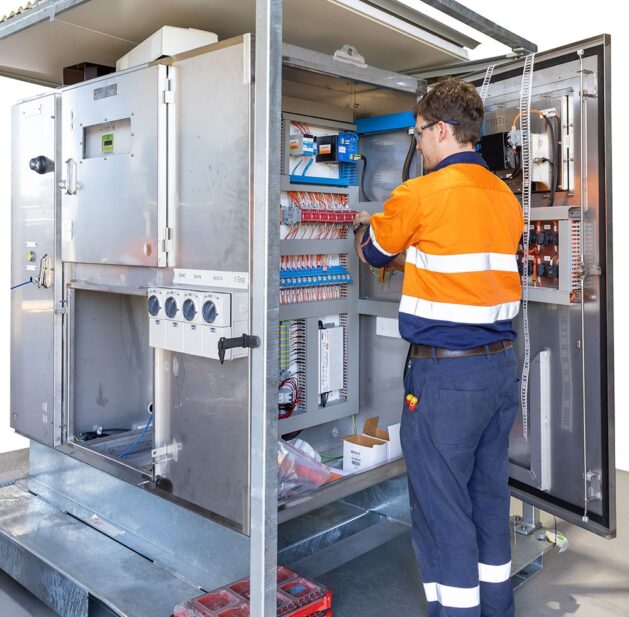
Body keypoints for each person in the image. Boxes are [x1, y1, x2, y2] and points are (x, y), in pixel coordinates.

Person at [353, 78, 523, 617]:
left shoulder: (419, 194)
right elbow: (460, 264)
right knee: (489, 496)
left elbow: (375, 254)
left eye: (420, 133)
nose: (419, 143)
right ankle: (496, 607)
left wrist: (368, 225)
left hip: (445, 381)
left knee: (441, 505)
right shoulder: (505, 196)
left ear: (443, 130)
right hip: (498, 372)